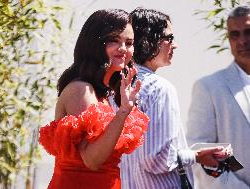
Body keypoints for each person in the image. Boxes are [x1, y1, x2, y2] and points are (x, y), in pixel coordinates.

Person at [120, 8, 230, 189]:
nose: (175, 45)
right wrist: (197, 155)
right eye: (169, 38)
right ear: (150, 39)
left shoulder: (118, 87)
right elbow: (156, 160)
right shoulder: (159, 88)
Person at [38, 9, 149, 189]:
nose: (123, 48)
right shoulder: (81, 89)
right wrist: (122, 114)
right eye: (114, 40)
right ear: (95, 43)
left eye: (128, 43)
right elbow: (92, 160)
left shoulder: (104, 92)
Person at [187, 5, 250, 189]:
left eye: (248, 32)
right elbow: (200, 151)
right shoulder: (209, 88)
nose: (242, 41)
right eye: (235, 34)